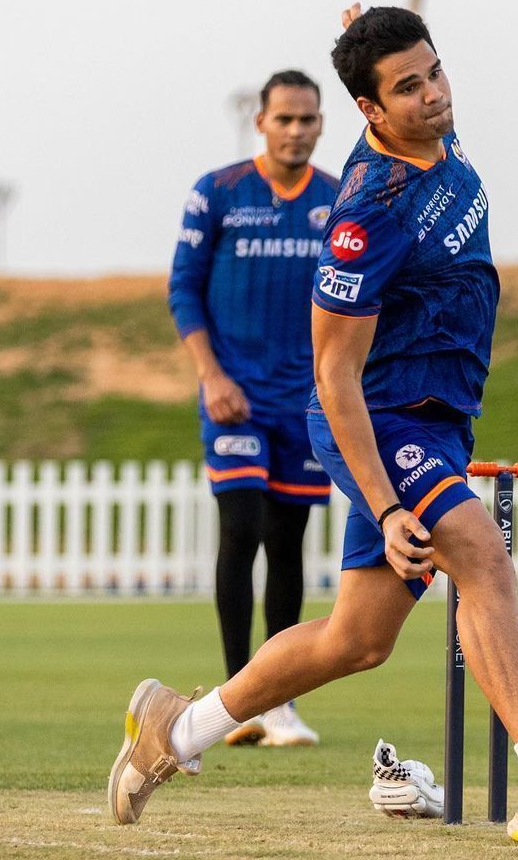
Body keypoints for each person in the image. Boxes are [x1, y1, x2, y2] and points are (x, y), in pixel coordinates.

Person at [111, 8, 518, 846]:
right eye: (407, 88)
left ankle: (177, 728)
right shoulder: (365, 216)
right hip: (378, 421)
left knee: (357, 639)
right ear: (372, 113)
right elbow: (334, 377)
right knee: (480, 553)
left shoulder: (437, 137)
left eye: (435, 73)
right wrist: (386, 508)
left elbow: (407, 81)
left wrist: (367, 26)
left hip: (439, 420)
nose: (433, 95)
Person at [167, 69, 338, 747]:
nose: (296, 131)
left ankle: (280, 703)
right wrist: (210, 376)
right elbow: (183, 289)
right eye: (284, 119)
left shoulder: (336, 199)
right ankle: (235, 699)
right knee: (239, 528)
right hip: (232, 394)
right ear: (260, 122)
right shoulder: (219, 193)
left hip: (304, 401)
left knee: (287, 542)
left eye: (308, 119)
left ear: (322, 124)